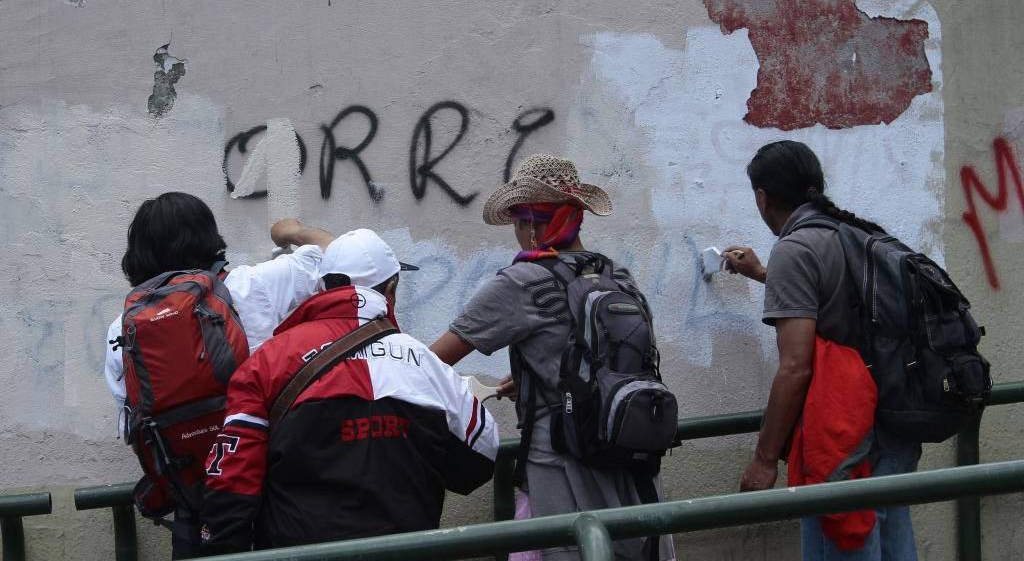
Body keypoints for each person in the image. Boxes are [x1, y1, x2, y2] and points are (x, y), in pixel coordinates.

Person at [430, 154, 676, 561]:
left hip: (563, 463)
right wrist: (538, 377)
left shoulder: (522, 281)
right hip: (631, 455)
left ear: (531, 225)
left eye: (517, 222)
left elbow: (428, 362)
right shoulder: (618, 276)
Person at [199, 228, 499, 554]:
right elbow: (483, 455)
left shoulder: (267, 361)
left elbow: (232, 480)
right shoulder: (426, 364)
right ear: (391, 290)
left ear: (322, 287)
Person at [104, 192, 340, 558]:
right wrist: (291, 232)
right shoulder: (252, 284)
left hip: (197, 502)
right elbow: (339, 254)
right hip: (276, 492)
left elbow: (131, 425)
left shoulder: (123, 327)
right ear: (208, 238)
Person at [723, 140, 920, 560]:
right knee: (892, 536)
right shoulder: (854, 233)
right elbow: (835, 297)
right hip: (894, 421)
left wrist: (764, 459)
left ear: (762, 197)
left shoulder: (795, 249)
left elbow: (795, 367)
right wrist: (764, 274)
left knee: (844, 541)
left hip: (845, 432)